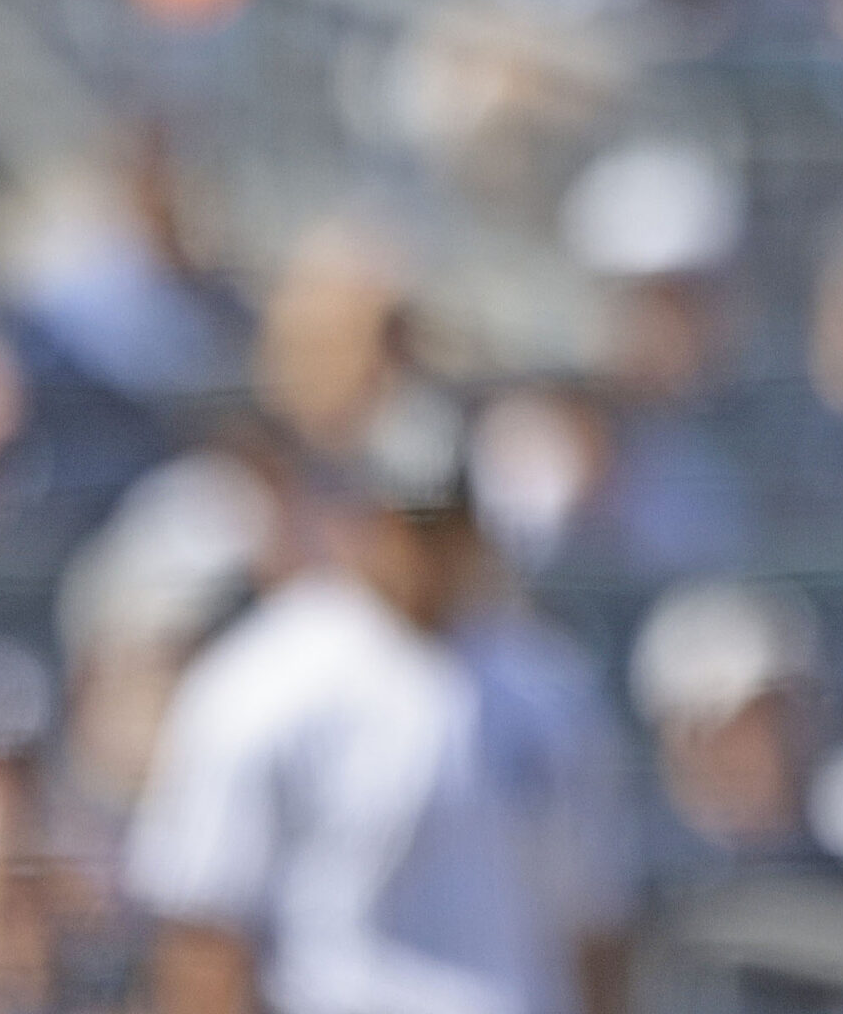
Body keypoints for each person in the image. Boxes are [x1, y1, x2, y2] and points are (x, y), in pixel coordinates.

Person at [127, 387, 635, 1014]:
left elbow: (595, 921)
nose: (425, 550)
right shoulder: (265, 682)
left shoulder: (546, 686)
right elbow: (205, 925)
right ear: (363, 517)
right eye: (408, 522)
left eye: (445, 524)